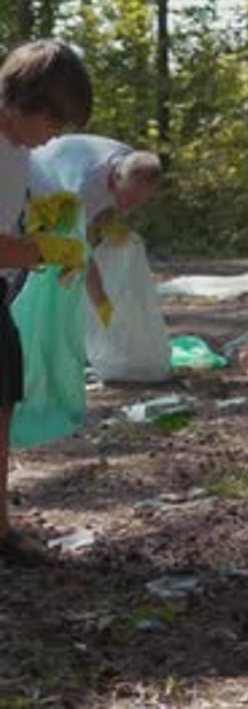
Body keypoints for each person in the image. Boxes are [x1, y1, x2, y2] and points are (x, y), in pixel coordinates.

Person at [0, 39, 92, 558]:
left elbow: (35, 197)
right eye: (54, 124)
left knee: (4, 395)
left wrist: (48, 223)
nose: (53, 138)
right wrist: (42, 249)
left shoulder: (17, 146)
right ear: (25, 104)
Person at [29, 135, 163, 326]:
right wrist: (101, 303)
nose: (130, 205)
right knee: (52, 258)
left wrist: (109, 221)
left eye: (139, 202)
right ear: (116, 178)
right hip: (38, 183)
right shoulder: (85, 186)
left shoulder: (132, 163)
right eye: (129, 197)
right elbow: (81, 248)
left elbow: (113, 204)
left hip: (70, 172)